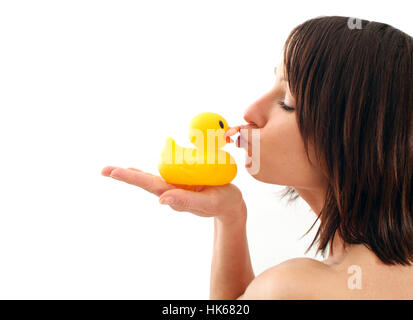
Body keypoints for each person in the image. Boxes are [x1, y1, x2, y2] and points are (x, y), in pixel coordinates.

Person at [102, 16, 413, 299]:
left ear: (351, 139)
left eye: (288, 101)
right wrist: (231, 217)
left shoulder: (294, 288)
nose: (251, 112)